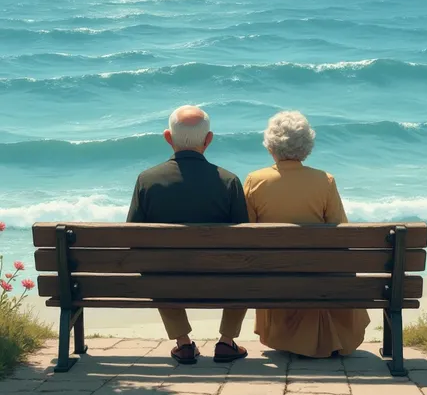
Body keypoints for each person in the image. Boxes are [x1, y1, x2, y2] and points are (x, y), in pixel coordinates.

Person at [127, 105, 248, 365]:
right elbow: (244, 241)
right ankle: (227, 341)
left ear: (168, 138)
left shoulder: (147, 181)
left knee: (155, 265)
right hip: (220, 281)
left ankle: (182, 343)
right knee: (244, 266)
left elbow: (132, 236)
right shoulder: (229, 182)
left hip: (168, 281)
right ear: (208, 140)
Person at [243, 111, 370, 358]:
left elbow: (246, 234)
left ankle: (290, 337)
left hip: (273, 277)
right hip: (317, 276)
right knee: (329, 265)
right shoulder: (324, 180)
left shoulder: (254, 181)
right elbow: (340, 233)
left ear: (271, 146)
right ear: (306, 147)